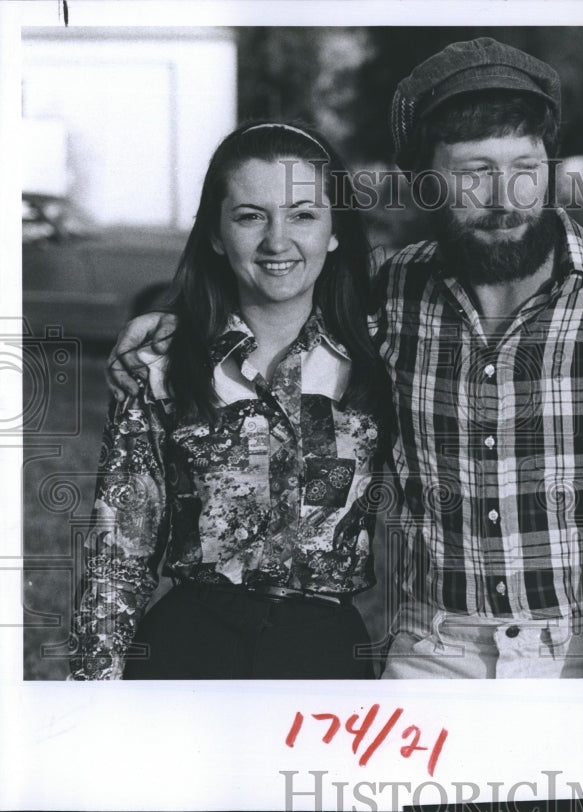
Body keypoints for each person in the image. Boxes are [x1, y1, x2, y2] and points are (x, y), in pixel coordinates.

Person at [104, 39, 583, 679]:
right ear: (429, 182)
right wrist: (169, 323)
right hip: (432, 649)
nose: (505, 197)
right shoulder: (383, 294)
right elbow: (273, 286)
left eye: (525, 169)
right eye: (475, 173)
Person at [70, 122, 387, 680]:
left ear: (335, 231)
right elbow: (117, 560)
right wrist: (91, 706)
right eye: (250, 215)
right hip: (189, 649)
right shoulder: (164, 366)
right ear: (216, 233)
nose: (277, 240)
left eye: (304, 214)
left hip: (326, 654)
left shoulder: (380, 359)